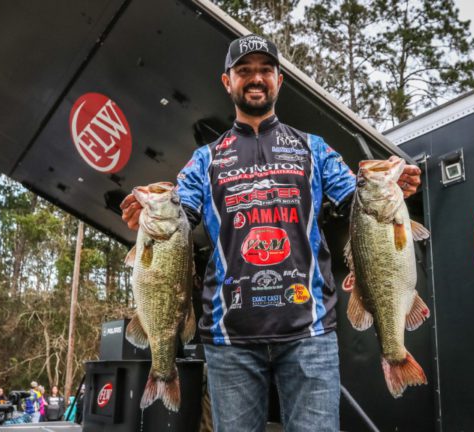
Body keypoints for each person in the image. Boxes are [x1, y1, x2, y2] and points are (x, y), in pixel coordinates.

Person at [120, 34, 421, 432]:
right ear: (227, 82)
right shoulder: (204, 161)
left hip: (309, 333)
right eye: (244, 70)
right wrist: (144, 212)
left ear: (280, 80)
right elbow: (179, 217)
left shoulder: (315, 149)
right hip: (230, 340)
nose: (255, 78)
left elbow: (360, 202)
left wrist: (396, 188)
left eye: (265, 70)